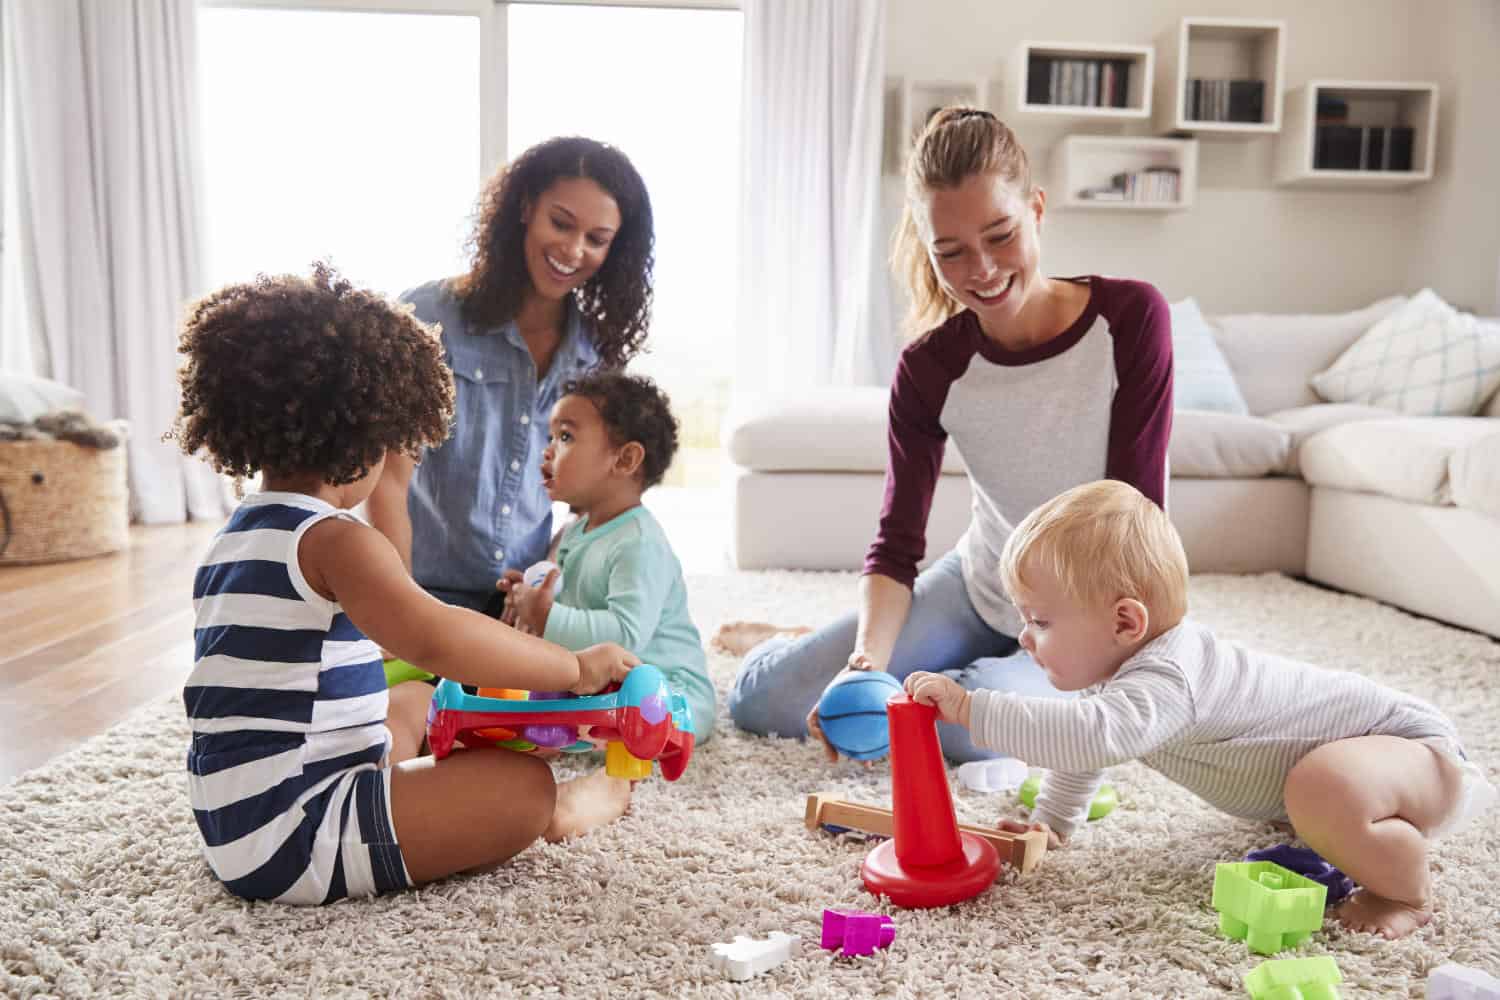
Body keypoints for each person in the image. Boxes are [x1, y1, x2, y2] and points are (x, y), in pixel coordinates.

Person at [172, 265, 641, 905]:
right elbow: (437, 634)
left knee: (417, 702)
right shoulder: (337, 541)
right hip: (298, 832)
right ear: (374, 437)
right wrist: (574, 669)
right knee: (521, 788)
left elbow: (353, 633)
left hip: (238, 814)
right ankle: (570, 807)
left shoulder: (241, 534)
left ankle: (435, 773)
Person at [717, 107, 1174, 762]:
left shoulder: (1129, 320)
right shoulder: (931, 369)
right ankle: (797, 642)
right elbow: (897, 545)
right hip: (979, 590)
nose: (981, 269)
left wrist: (1083, 639)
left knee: (965, 729)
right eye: (951, 252)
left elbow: (1135, 516)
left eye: (1000, 235)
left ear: (1037, 209)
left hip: (1084, 616)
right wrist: (864, 662)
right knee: (763, 703)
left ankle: (925, 670)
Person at [904, 479, 1494, 940]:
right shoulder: (1120, 672)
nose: (1025, 638)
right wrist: (1054, 822)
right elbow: (1085, 742)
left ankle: (1405, 893)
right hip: (1369, 768)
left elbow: (1093, 736)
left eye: (1040, 621)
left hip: (1411, 752)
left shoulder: (1171, 674)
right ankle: (1336, 818)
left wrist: (969, 707)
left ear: (1125, 622)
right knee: (1318, 790)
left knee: (1325, 784)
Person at [368, 136, 655, 625]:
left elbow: (593, 504)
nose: (573, 249)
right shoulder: (430, 316)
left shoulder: (597, 357)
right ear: (525, 208)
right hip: (418, 593)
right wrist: (399, 611)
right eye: (561, 224)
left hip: (522, 602)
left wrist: (542, 583)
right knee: (406, 701)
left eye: (597, 239)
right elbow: (387, 480)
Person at [500, 372, 716, 748]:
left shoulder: (639, 542)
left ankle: (596, 734)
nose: (548, 450)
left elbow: (627, 635)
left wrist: (548, 616)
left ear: (626, 459)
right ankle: (578, 729)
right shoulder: (574, 530)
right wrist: (532, 595)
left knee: (646, 716)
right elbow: (575, 600)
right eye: (550, 437)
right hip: (602, 680)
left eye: (565, 437)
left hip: (665, 683)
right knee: (529, 699)